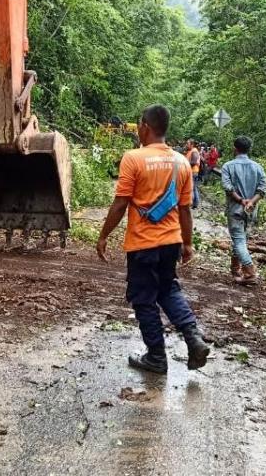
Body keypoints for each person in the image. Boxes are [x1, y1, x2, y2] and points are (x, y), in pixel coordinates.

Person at [96, 104, 210, 375]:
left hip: (143, 244)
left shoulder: (133, 158)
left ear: (145, 126)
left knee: (144, 299)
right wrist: (188, 243)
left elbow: (121, 202)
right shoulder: (182, 162)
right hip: (171, 242)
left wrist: (103, 236)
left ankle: (156, 358)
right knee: (168, 289)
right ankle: (193, 338)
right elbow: (184, 209)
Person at [221, 136, 266, 285]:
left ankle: (249, 273)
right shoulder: (257, 167)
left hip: (235, 209)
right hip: (251, 211)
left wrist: (241, 200)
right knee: (241, 240)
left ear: (235, 148)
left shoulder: (228, 166)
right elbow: (263, 189)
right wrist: (251, 202)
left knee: (239, 240)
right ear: (249, 149)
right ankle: (235, 270)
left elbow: (228, 188)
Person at [185, 139, 201, 209]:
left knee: (192, 188)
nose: (186, 145)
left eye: (187, 144)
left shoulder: (194, 151)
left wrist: (184, 163)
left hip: (193, 172)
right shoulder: (191, 151)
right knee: (193, 188)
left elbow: (194, 162)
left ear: (192, 144)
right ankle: (195, 203)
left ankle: (193, 203)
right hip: (192, 172)